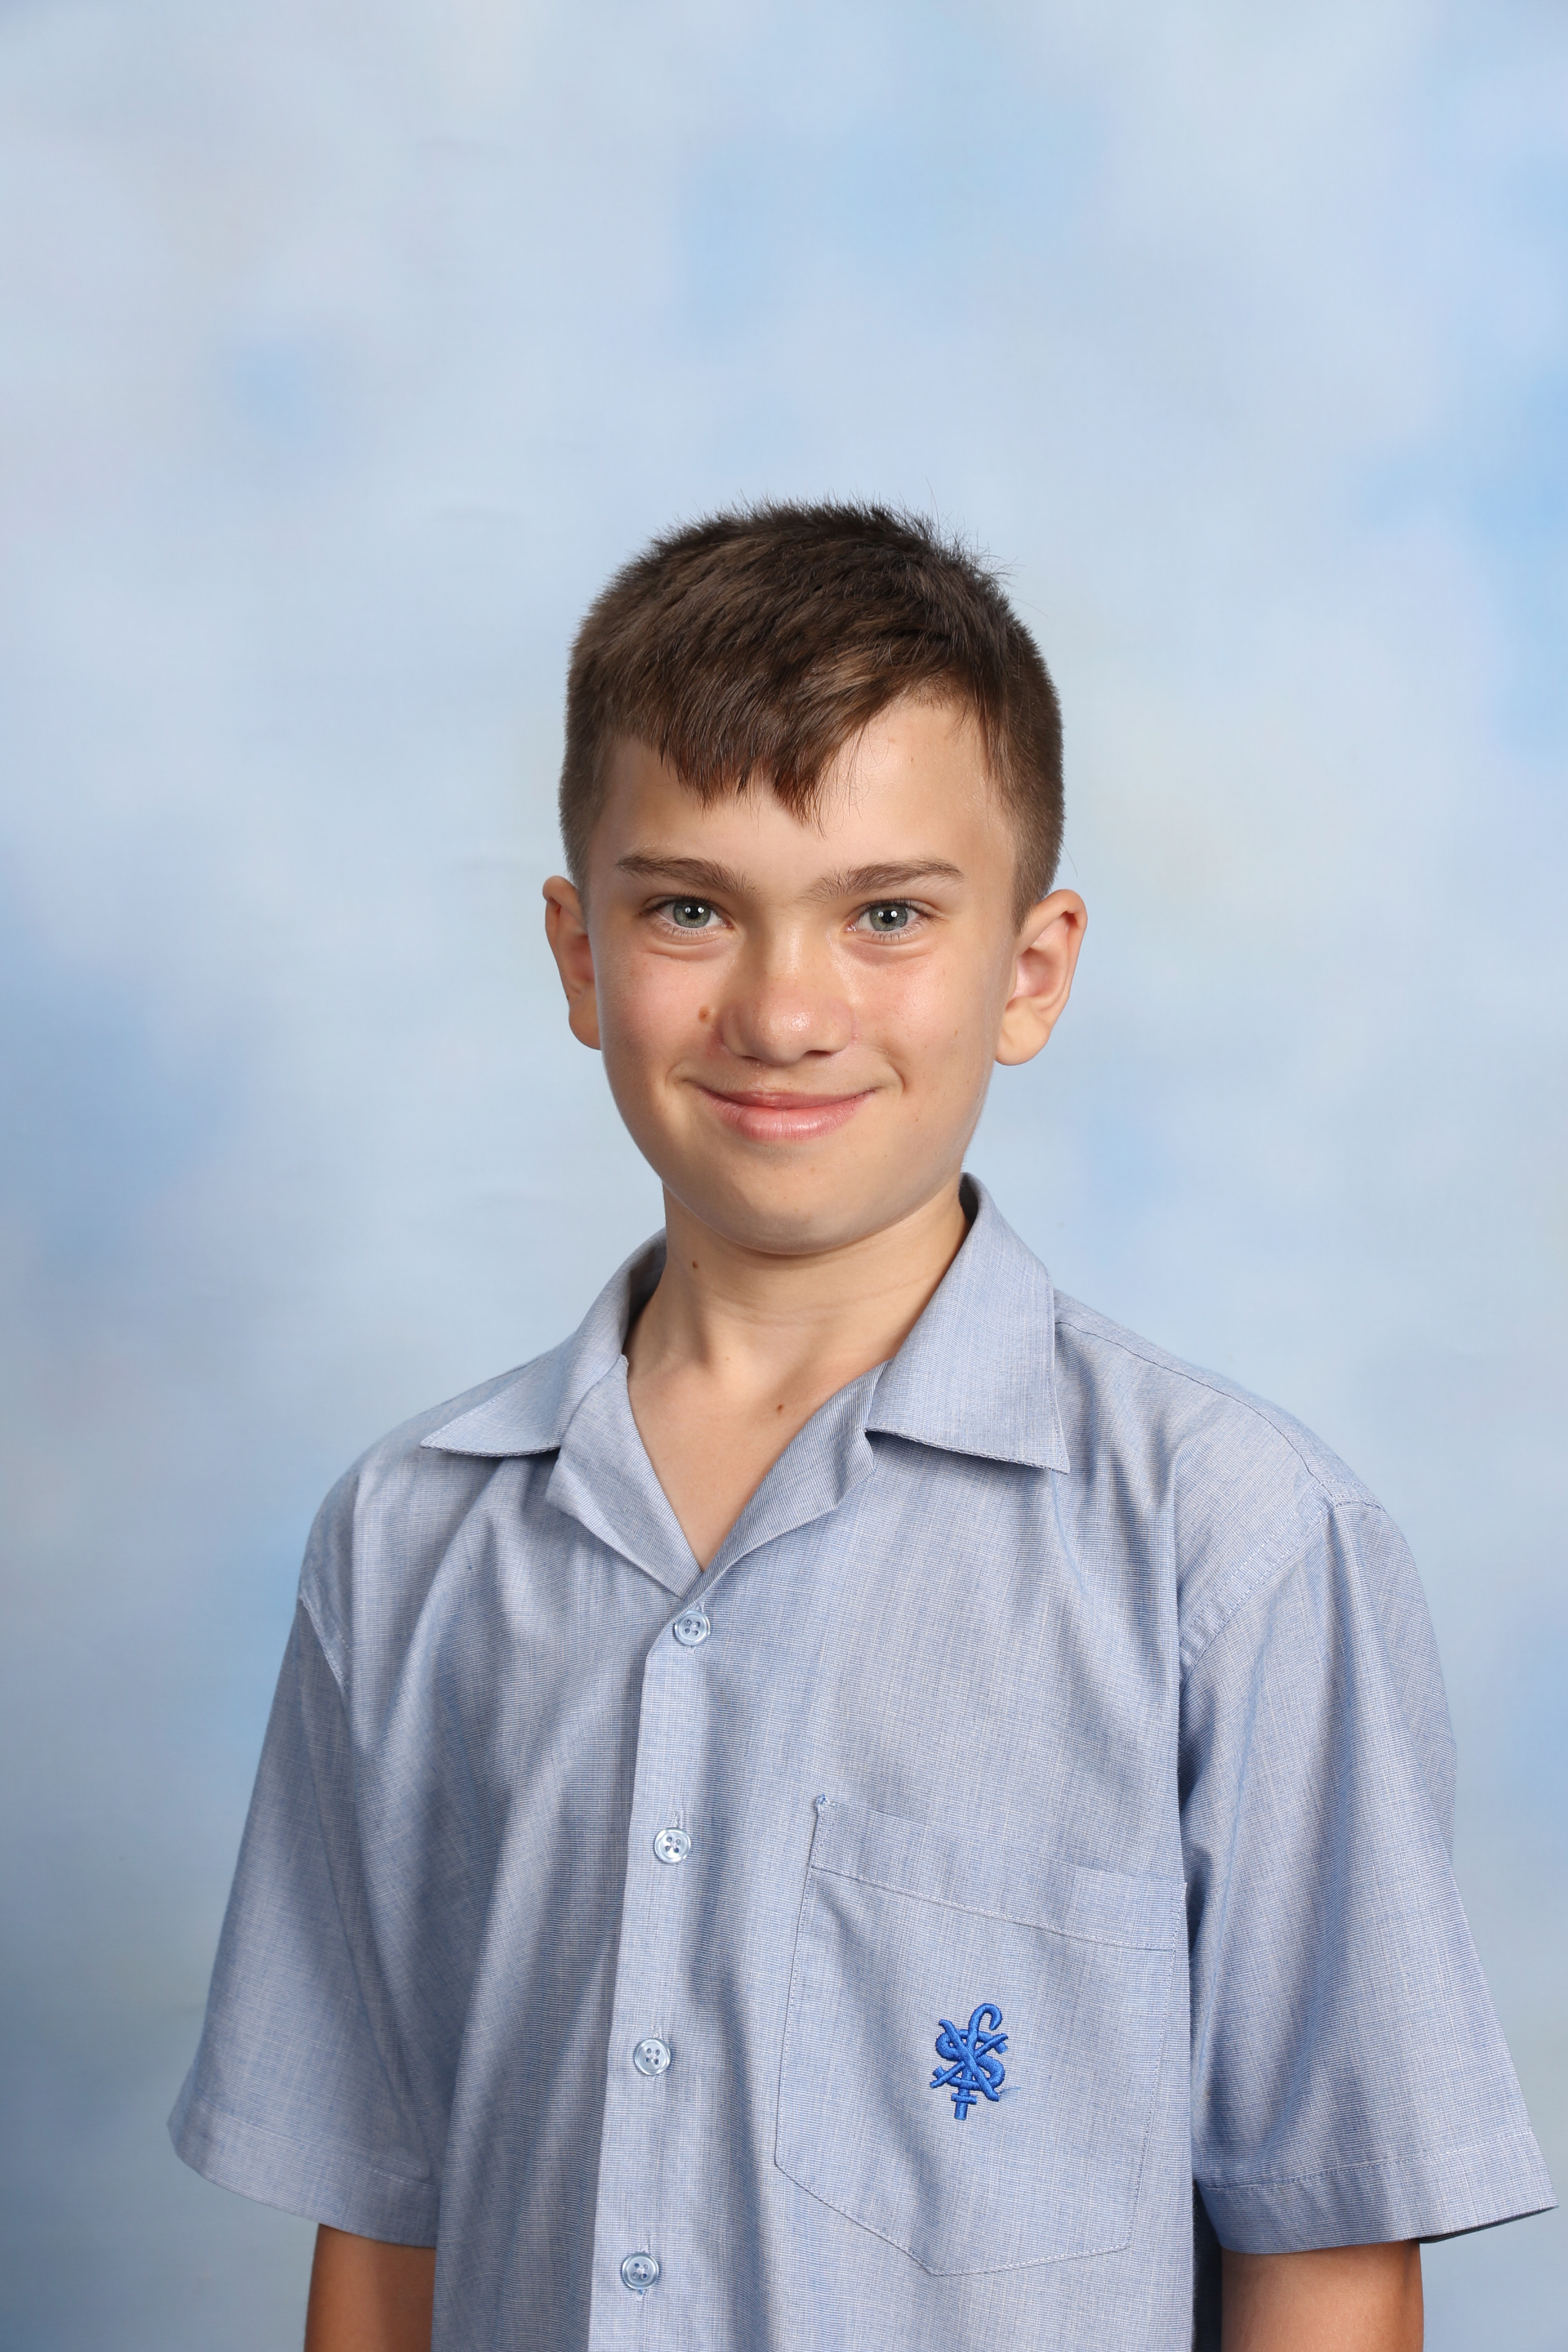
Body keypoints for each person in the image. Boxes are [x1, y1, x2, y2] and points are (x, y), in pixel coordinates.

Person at [172, 504, 1554, 2351]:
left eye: (887, 914)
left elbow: (1329, 2252)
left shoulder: (1233, 1549)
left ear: (1032, 969)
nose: (783, 1009)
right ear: (579, 957)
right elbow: (383, 2222)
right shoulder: (408, 1542)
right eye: (690, 909)